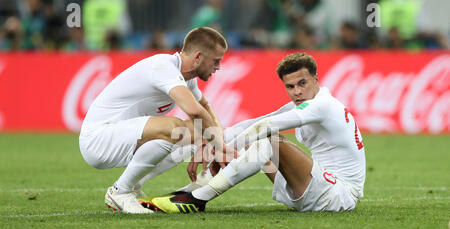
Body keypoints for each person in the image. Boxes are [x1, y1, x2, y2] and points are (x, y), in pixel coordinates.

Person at [146, 52, 366, 214]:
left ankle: (196, 200)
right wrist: (214, 143)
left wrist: (221, 149)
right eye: (290, 87)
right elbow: (253, 123)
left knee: (268, 139)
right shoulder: (306, 104)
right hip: (315, 188)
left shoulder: (323, 105)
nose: (297, 91)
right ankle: (188, 191)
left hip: (339, 194)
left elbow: (266, 127)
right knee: (254, 139)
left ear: (316, 80)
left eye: (302, 83)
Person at [79, 27, 229, 214]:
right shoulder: (162, 67)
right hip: (98, 139)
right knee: (178, 128)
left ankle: (131, 186)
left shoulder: (187, 78)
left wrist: (213, 143)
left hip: (120, 137)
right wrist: (221, 147)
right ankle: (120, 192)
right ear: (198, 57)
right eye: (216, 61)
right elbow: (194, 111)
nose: (218, 67)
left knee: (192, 139)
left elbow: (205, 107)